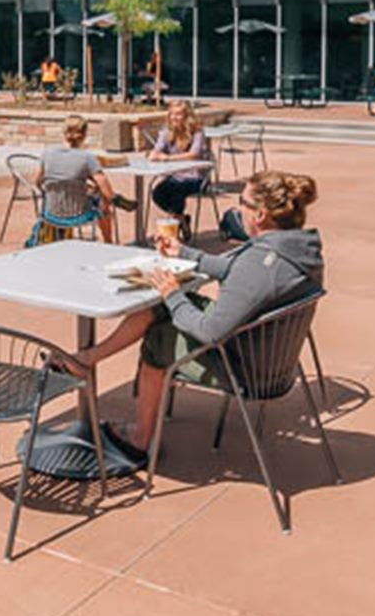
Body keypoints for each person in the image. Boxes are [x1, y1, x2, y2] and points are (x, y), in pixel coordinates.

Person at [71, 170, 323, 467]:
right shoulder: (295, 249)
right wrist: (185, 253)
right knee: (161, 309)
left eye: (242, 201)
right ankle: (87, 359)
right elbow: (235, 272)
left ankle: (140, 439)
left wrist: (172, 293)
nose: (237, 207)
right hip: (273, 357)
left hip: (245, 369)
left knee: (158, 338)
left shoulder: (261, 262)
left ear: (261, 214)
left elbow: (210, 331)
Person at [33, 114, 125, 243]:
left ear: (64, 132)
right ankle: (109, 242)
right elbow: (108, 192)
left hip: (51, 213)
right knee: (103, 202)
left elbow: (37, 182)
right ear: (85, 134)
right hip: (79, 215)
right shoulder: (87, 158)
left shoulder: (47, 154)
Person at [149, 99, 210, 236]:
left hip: (196, 176)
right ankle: (181, 219)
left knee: (176, 191)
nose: (174, 118)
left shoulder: (197, 132)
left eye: (178, 114)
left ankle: (173, 229)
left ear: (187, 116)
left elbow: (194, 154)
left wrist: (168, 158)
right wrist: (154, 154)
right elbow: (157, 149)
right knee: (157, 193)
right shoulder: (167, 131)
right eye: (171, 114)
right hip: (174, 176)